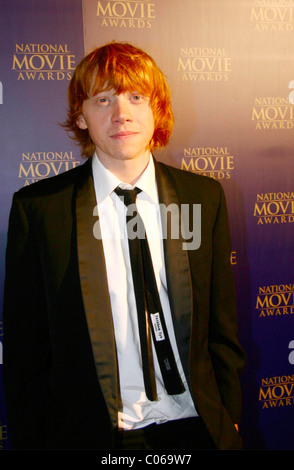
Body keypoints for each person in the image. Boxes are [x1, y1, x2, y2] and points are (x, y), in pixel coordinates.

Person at [3, 42, 245, 450]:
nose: (122, 114)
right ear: (80, 115)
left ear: (158, 109)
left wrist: (229, 419)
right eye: (103, 99)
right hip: (93, 435)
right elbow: (27, 352)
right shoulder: (41, 211)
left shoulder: (202, 197)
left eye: (136, 97)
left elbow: (221, 328)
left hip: (196, 427)